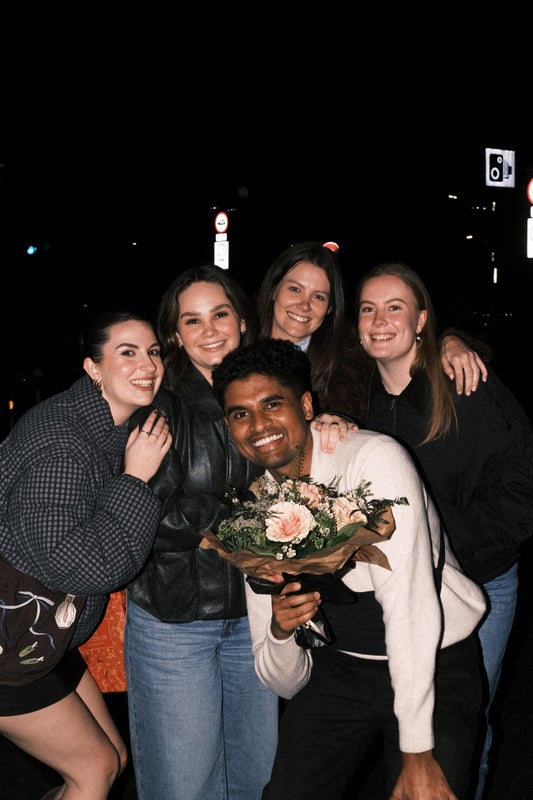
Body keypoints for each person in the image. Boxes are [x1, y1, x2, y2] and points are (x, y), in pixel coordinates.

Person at [211, 337, 487, 800]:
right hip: (340, 670)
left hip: (434, 659)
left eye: (272, 404)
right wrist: (281, 632)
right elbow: (285, 682)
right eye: (241, 413)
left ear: (305, 405)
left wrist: (418, 752)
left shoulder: (372, 461)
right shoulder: (255, 511)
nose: (258, 425)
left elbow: (410, 607)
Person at [354, 261, 533, 800]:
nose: (379, 321)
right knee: (410, 721)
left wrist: (449, 550)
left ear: (421, 321)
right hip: (399, 593)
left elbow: (521, 485)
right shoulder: (354, 396)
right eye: (367, 309)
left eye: (394, 308)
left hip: (479, 582)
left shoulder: (465, 384)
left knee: (463, 726)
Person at [0, 309, 172, 800]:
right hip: (12, 639)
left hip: (41, 632)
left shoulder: (104, 424)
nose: (148, 365)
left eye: (153, 351)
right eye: (127, 352)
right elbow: (75, 564)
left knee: (112, 757)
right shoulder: (64, 444)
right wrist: (135, 479)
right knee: (94, 770)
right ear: (93, 367)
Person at [124, 265, 279, 800]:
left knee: (256, 781)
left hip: (255, 617)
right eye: (192, 320)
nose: (209, 330)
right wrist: (239, 516)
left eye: (220, 314)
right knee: (186, 788)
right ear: (175, 334)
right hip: (176, 621)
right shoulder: (157, 401)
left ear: (242, 319)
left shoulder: (269, 392)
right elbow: (146, 516)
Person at [255, 240, 489, 423]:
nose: (304, 305)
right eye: (295, 289)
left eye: (318, 297)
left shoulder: (349, 360)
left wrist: (450, 342)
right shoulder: (242, 339)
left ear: (330, 308)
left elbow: (401, 341)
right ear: (274, 289)